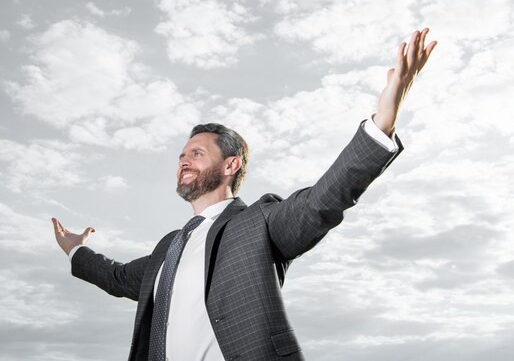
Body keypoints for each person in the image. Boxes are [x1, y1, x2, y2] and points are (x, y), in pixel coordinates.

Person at [52, 29, 437, 360]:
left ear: (231, 165)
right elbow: (116, 277)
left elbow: (322, 201)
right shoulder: (167, 250)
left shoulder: (259, 223)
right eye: (182, 155)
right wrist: (75, 249)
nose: (184, 161)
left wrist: (381, 123)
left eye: (198, 154)